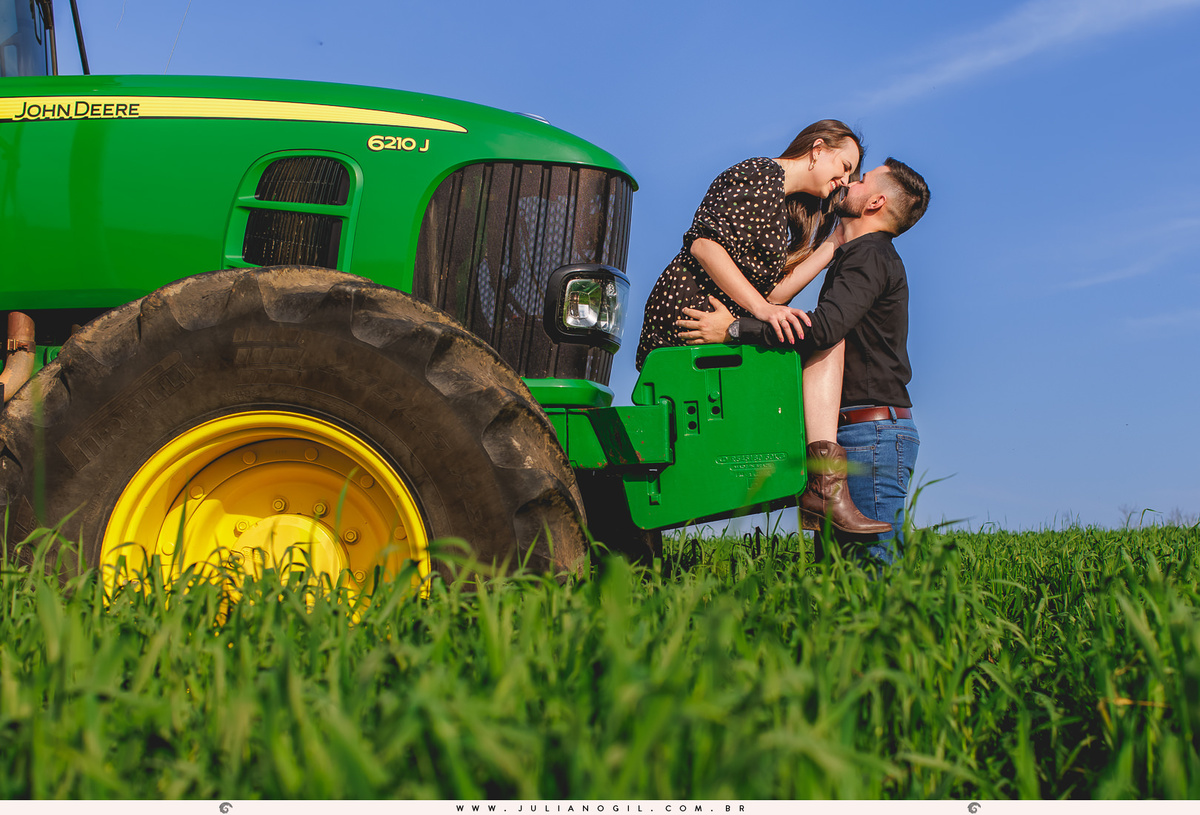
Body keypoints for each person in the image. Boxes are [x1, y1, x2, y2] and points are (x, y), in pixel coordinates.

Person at [634, 120, 890, 535]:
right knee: (824, 340)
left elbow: (773, 292)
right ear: (818, 149)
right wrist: (758, 312)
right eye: (844, 167)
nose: (844, 181)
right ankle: (824, 487)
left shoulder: (784, 206)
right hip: (691, 319)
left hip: (725, 320)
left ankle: (822, 485)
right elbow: (703, 245)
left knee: (823, 337)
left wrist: (832, 245)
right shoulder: (758, 173)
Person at [676, 158, 930, 564]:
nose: (849, 182)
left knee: (874, 574)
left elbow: (824, 329)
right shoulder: (861, 255)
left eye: (861, 180)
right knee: (844, 581)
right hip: (860, 432)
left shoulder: (869, 256)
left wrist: (734, 330)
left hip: (870, 437)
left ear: (875, 202)